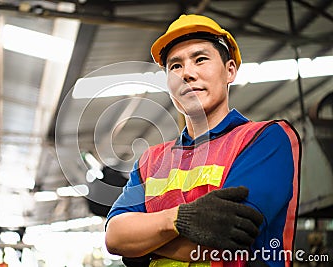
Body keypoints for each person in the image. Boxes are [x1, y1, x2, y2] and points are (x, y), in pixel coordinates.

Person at [105, 14, 301, 267]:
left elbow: (231, 238)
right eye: (175, 66)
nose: (187, 73)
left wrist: (143, 248)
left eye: (200, 59)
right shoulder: (151, 161)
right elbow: (115, 237)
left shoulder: (263, 140)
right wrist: (178, 219)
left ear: (230, 70)